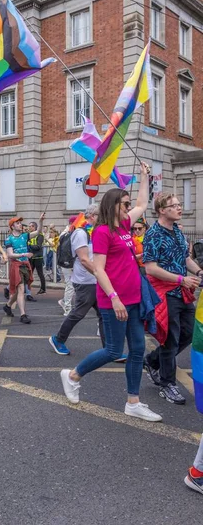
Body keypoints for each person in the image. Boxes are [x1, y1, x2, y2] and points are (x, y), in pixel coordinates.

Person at [60, 162, 162, 422]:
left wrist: (143, 176)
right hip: (114, 301)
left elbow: (142, 203)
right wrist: (114, 298)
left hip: (135, 299)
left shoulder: (125, 225)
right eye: (124, 204)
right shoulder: (103, 232)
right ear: (113, 205)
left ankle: (133, 402)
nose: (129, 207)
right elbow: (99, 269)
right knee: (114, 351)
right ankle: (72, 376)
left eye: (128, 204)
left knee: (138, 349)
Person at [143, 192, 202, 404]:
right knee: (170, 339)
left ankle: (151, 360)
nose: (179, 208)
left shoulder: (178, 232)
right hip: (165, 292)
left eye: (179, 204)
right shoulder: (153, 234)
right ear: (161, 210)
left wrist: (198, 273)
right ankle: (168, 384)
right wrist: (180, 279)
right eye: (174, 205)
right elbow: (150, 268)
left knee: (189, 333)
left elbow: (185, 258)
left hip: (182, 290)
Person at [49, 204, 108, 355]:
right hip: (85, 281)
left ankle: (109, 349)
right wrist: (98, 273)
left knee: (103, 314)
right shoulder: (81, 233)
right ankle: (58, 339)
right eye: (101, 216)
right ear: (92, 216)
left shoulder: (96, 232)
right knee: (78, 313)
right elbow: (83, 259)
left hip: (95, 280)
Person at [3, 213, 45, 324]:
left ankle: (8, 306)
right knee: (21, 289)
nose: (20, 225)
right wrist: (24, 254)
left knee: (18, 290)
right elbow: (10, 255)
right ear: (12, 226)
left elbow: (38, 232)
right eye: (17, 223)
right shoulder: (9, 239)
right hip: (16, 265)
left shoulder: (25, 236)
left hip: (25, 265)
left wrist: (40, 221)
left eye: (20, 223)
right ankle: (23, 314)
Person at [58, 216, 77, 316]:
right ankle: (67, 307)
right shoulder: (69, 234)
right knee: (70, 285)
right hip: (68, 263)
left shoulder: (65, 233)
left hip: (67, 263)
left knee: (72, 285)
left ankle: (65, 302)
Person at [28, 221, 46, 296]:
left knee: (40, 273)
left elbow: (38, 246)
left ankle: (43, 289)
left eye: (31, 226)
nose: (29, 228)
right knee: (29, 273)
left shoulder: (40, 235)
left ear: (35, 227)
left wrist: (29, 245)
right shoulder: (29, 235)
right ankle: (27, 289)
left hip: (38, 257)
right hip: (31, 257)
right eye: (29, 226)